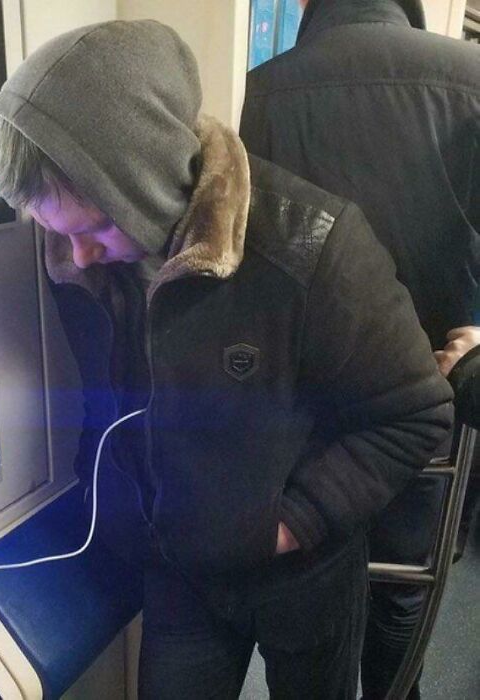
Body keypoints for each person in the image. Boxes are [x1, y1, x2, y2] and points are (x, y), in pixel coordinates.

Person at [0, 19, 452, 699]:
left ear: (146, 182)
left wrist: (292, 525)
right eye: (59, 233)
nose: (75, 256)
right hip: (180, 573)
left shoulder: (313, 247)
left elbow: (415, 413)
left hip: (304, 570)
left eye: (93, 229)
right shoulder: (84, 263)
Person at [239, 1, 479, 697]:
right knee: (404, 585)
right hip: (428, 392)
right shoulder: (469, 79)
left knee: (311, 574)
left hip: (305, 401)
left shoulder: (262, 90)